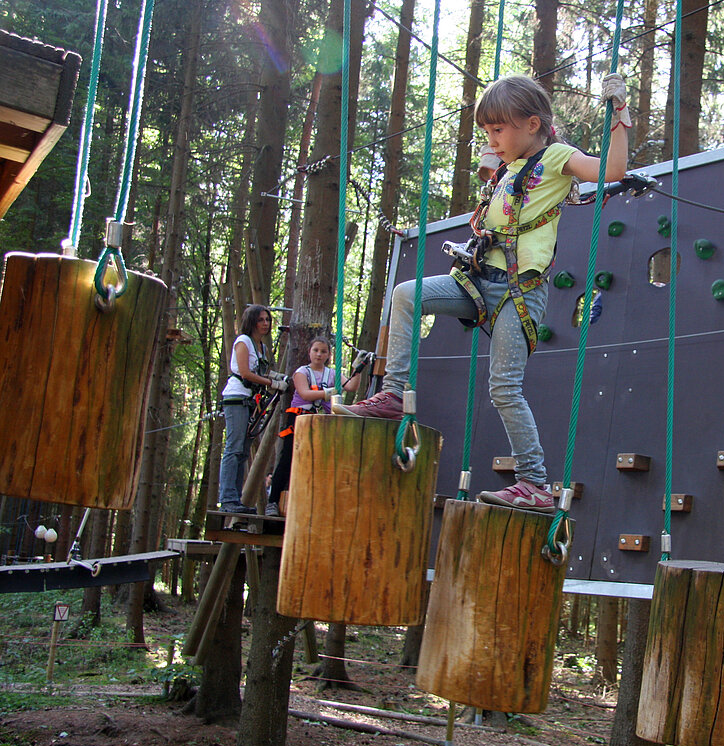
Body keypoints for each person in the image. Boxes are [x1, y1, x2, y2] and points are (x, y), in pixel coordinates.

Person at [336, 73, 631, 513]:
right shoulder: (506, 168)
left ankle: (533, 481)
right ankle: (395, 395)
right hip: (478, 281)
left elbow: (611, 170)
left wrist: (618, 115)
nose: (492, 139)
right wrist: (494, 163)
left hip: (519, 291)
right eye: (488, 131)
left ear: (532, 124)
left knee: (504, 387)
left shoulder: (555, 157)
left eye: (498, 129)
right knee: (405, 295)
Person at [265, 338, 367, 516]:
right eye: (316, 350)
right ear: (309, 352)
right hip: (299, 419)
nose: (319, 354)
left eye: (323, 351)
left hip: (321, 422)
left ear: (328, 355)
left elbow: (350, 386)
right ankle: (272, 501)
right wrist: (327, 393)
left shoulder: (332, 374)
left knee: (318, 462)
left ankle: (311, 502)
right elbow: (304, 393)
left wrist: (357, 370)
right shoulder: (301, 372)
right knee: (288, 459)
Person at [219, 304, 288, 514]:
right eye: (261, 320)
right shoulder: (243, 342)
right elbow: (246, 373)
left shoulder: (262, 348)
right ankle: (227, 498)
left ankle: (235, 499)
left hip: (252, 400)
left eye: (267, 319)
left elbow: (259, 372)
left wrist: (274, 377)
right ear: (252, 322)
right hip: (237, 396)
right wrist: (271, 383)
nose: (265, 324)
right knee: (234, 447)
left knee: (242, 451)